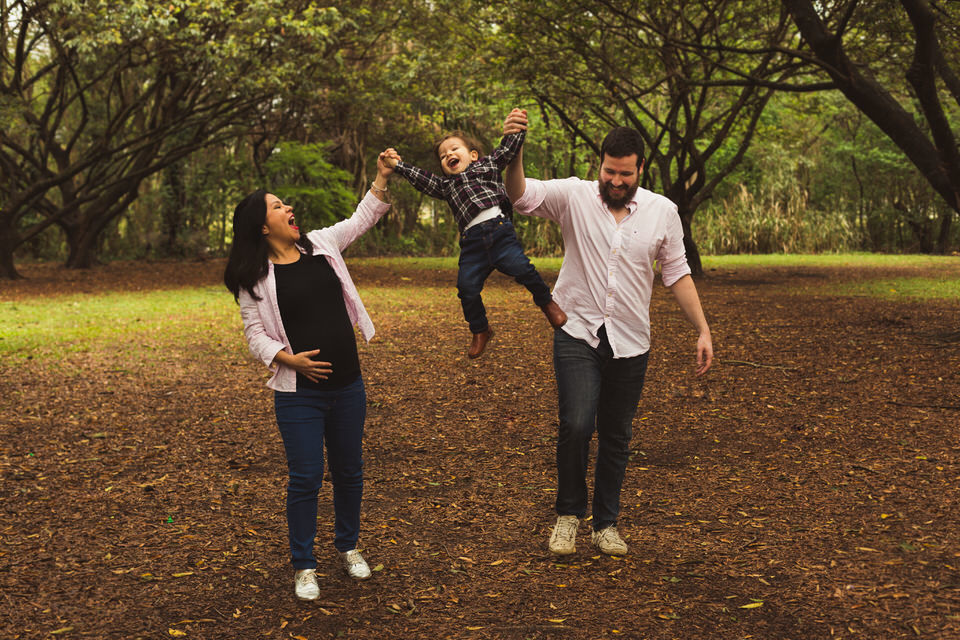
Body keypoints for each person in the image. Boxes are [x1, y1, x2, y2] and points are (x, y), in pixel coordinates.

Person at [502, 109, 713, 557]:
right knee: (577, 423)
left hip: (632, 340)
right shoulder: (574, 196)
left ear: (640, 171)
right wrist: (514, 150)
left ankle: (607, 524)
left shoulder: (663, 212)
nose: (615, 181)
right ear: (600, 166)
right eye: (609, 171)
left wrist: (702, 329)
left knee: (616, 434)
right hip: (576, 330)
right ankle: (568, 516)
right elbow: (519, 197)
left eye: (625, 174)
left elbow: (677, 273)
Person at [223, 151, 396, 600]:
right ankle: (304, 564)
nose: (288, 209)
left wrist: (380, 177)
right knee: (305, 477)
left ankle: (349, 547)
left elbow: (361, 218)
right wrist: (288, 359)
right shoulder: (254, 276)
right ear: (263, 226)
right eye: (278, 206)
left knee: (349, 471)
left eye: (285, 204)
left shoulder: (322, 244)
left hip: (349, 386)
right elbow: (254, 333)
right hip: (298, 394)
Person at [382, 123, 567, 359]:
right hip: (472, 245)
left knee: (524, 270)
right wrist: (396, 165)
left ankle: (547, 304)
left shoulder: (487, 166)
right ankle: (480, 329)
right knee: (466, 289)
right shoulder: (445, 186)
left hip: (499, 233)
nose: (448, 154)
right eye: (443, 155)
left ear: (473, 155)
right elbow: (421, 178)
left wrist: (518, 126)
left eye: (454, 149)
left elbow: (507, 149)